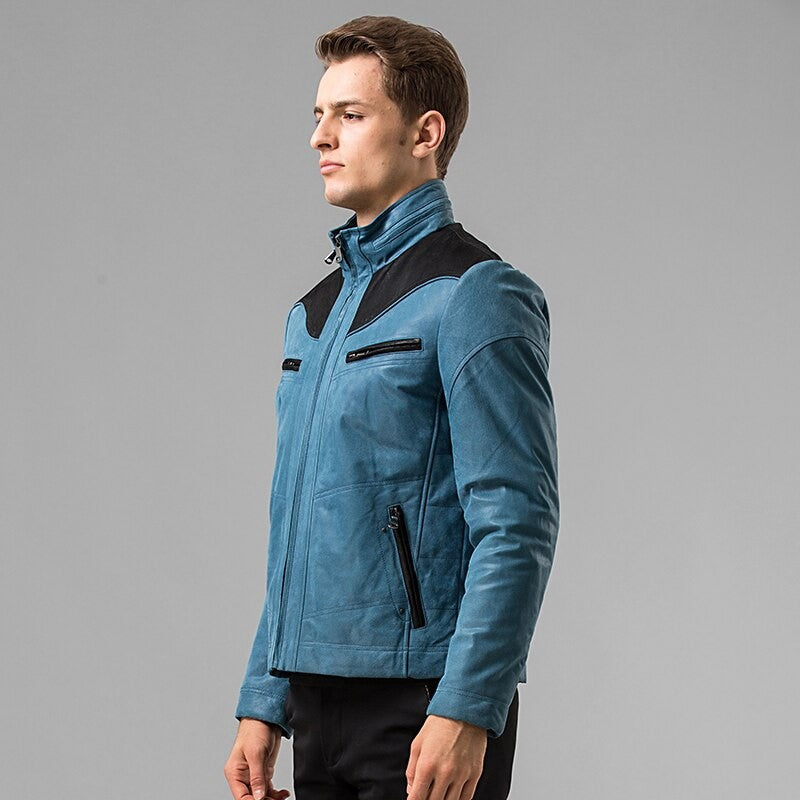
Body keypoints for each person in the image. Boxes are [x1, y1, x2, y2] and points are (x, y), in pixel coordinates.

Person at [224, 14, 559, 800]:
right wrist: (264, 698)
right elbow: (297, 523)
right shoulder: (311, 315)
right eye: (319, 115)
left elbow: (517, 518)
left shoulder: (474, 293)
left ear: (424, 133)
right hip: (314, 703)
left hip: (421, 705)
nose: (320, 137)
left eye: (350, 114)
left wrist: (468, 705)